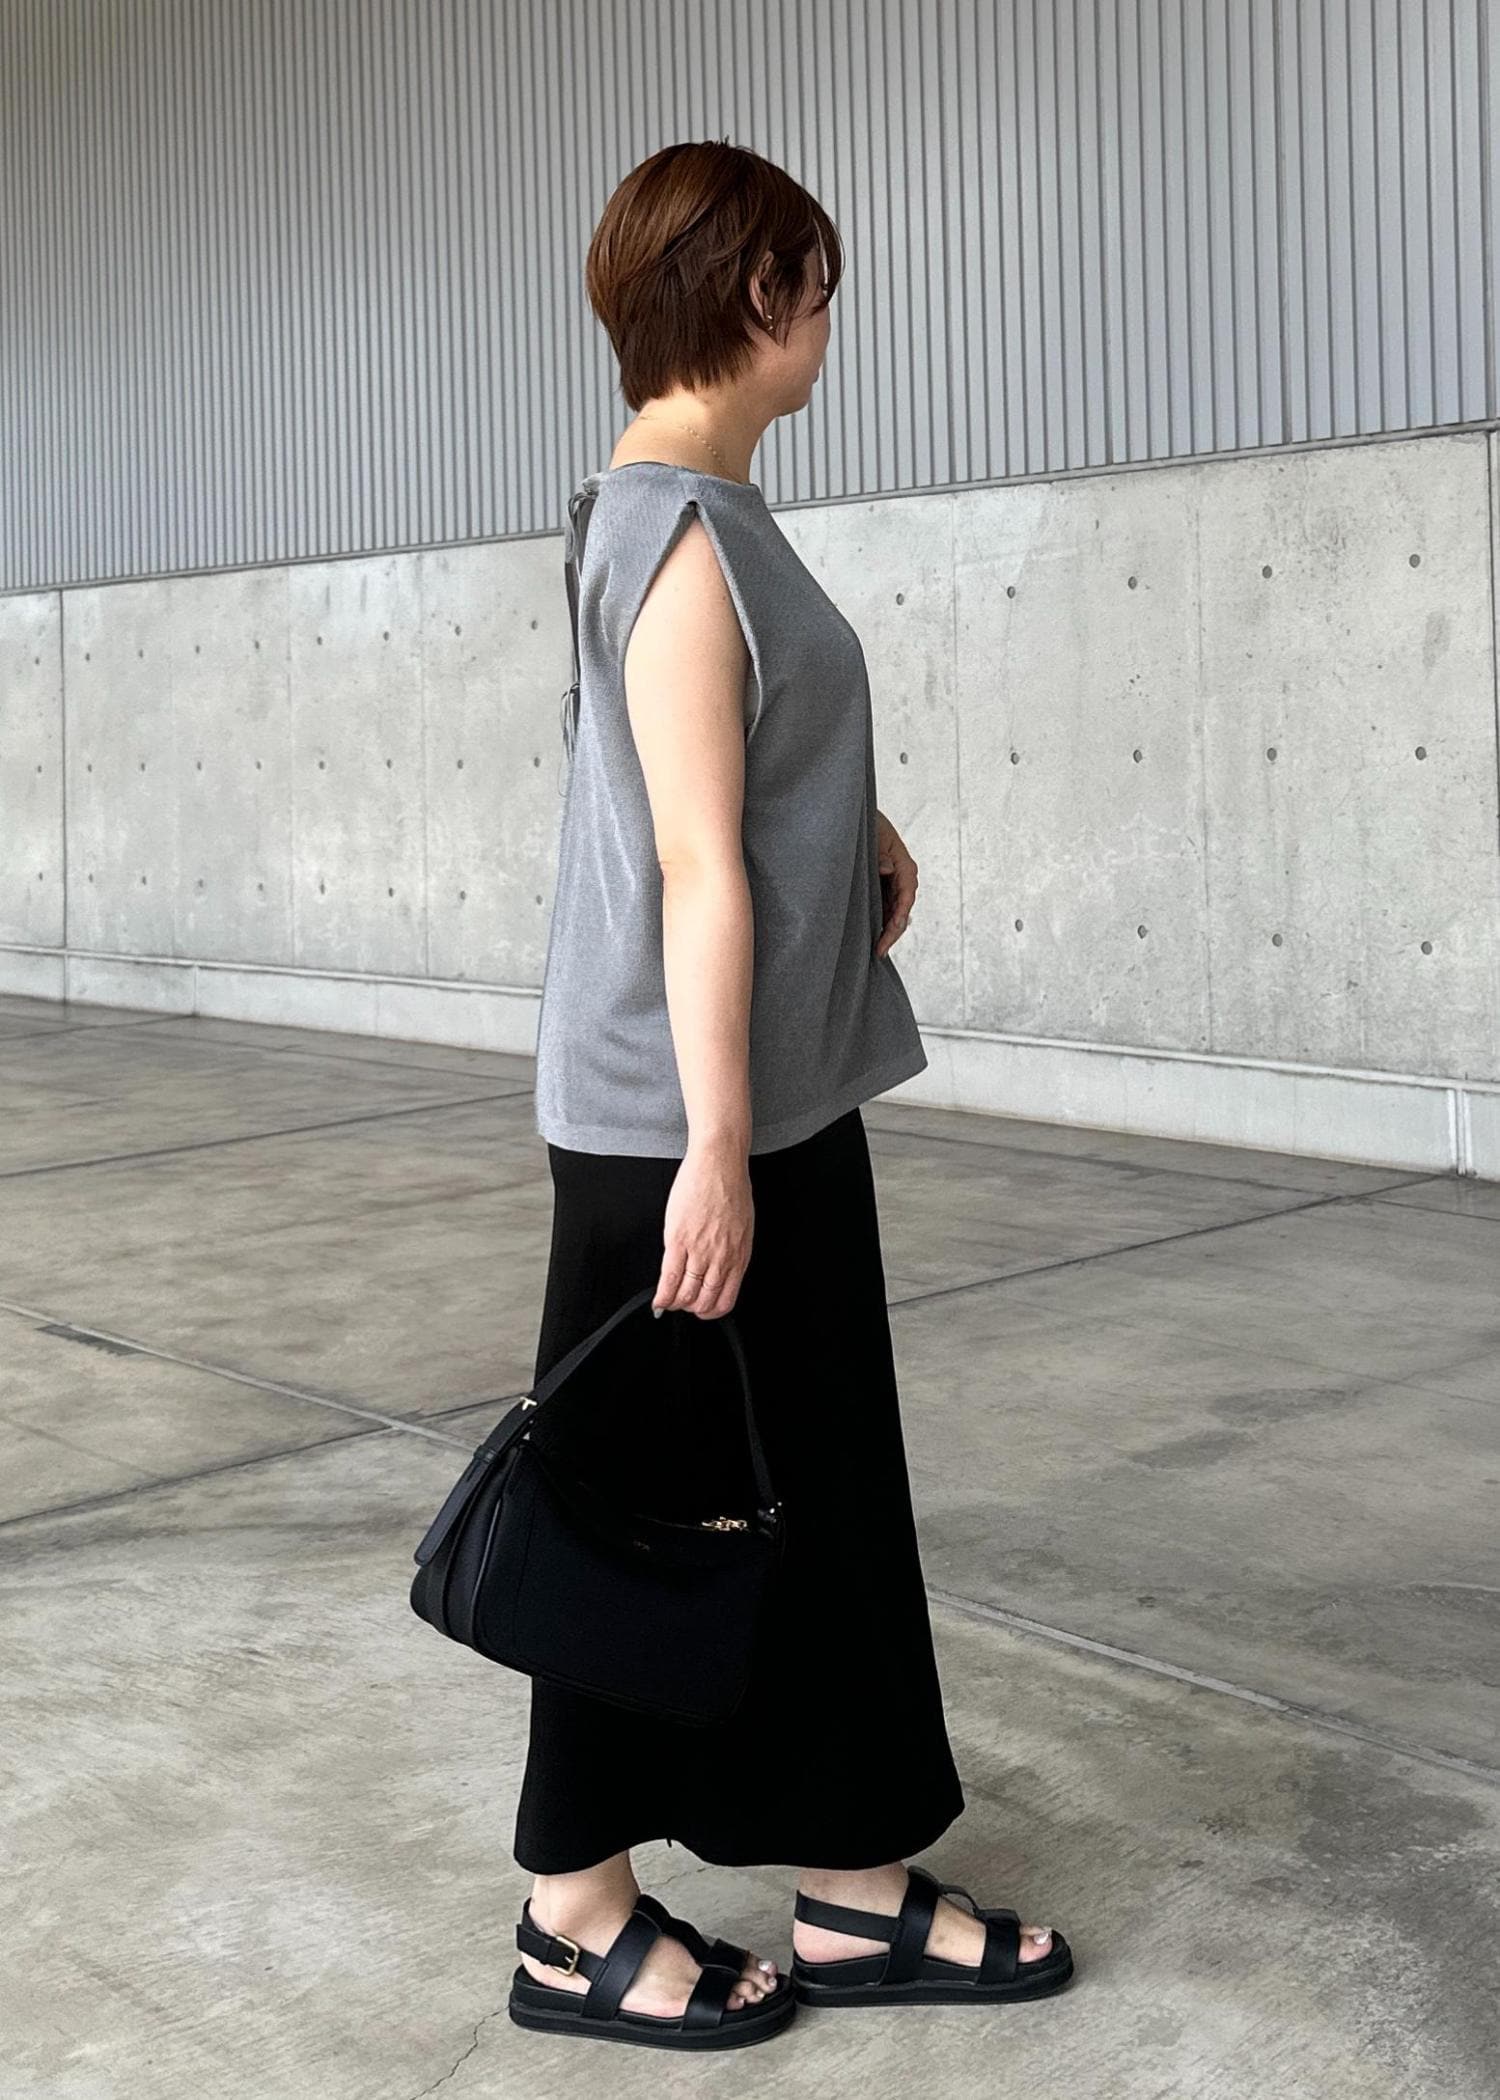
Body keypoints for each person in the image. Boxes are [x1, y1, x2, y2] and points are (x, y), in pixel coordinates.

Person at [509, 139, 1073, 2051]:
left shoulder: (714, 514)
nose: (830, 315)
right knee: (637, 1522)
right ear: (750, 295)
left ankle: (849, 1886)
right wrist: (717, 1152)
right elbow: (692, 863)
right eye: (815, 283)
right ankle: (572, 1920)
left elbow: (747, 769)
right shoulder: (674, 534)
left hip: (768, 1102)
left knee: (818, 1495)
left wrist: (862, 831)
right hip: (683, 1128)